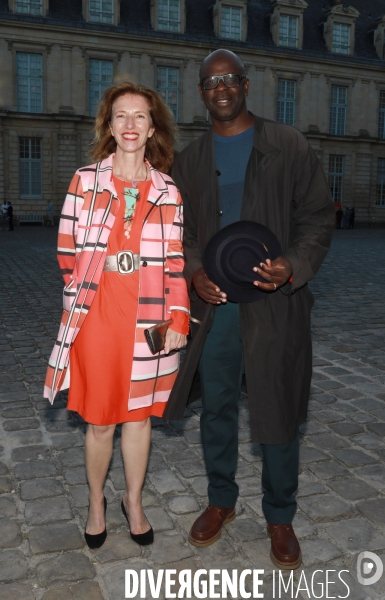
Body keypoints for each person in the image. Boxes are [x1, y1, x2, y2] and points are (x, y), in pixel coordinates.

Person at [164, 49, 335, 570]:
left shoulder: (288, 145)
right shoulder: (189, 160)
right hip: (216, 310)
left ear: (245, 84)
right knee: (215, 407)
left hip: (274, 304)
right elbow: (184, 235)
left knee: (277, 408)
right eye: (211, 81)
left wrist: (294, 264)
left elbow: (317, 220)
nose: (221, 88)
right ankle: (221, 501)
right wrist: (194, 273)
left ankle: (279, 516)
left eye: (230, 79)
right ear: (200, 92)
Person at [44, 81, 190, 549]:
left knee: (139, 419)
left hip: (149, 317)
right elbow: (67, 252)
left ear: (152, 129)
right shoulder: (85, 181)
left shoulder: (168, 190)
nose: (130, 125)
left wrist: (179, 319)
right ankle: (94, 503)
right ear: (110, 126)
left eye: (140, 116)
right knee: (101, 420)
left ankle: (133, 500)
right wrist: (90, 288)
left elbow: (175, 263)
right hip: (99, 314)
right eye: (121, 116)